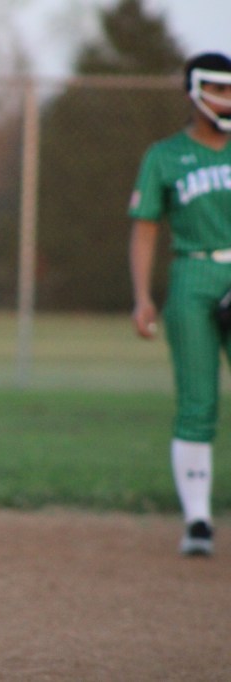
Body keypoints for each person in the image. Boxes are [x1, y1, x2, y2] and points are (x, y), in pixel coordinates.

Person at [129, 52, 231, 558]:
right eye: (219, 89)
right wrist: (142, 297)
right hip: (192, 274)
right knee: (197, 403)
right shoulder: (166, 155)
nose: (227, 99)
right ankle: (198, 520)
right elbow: (146, 226)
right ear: (194, 92)